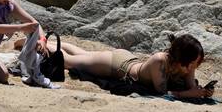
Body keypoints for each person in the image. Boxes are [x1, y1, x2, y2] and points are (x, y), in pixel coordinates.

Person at [55, 34, 212, 98]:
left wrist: (202, 92)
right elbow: (163, 93)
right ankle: (41, 43)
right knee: (69, 62)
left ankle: (55, 43)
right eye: (194, 62)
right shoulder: (160, 61)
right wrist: (190, 93)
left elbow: (190, 87)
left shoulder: (187, 66)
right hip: (117, 66)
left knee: (84, 54)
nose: (195, 66)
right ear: (183, 58)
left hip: (129, 60)